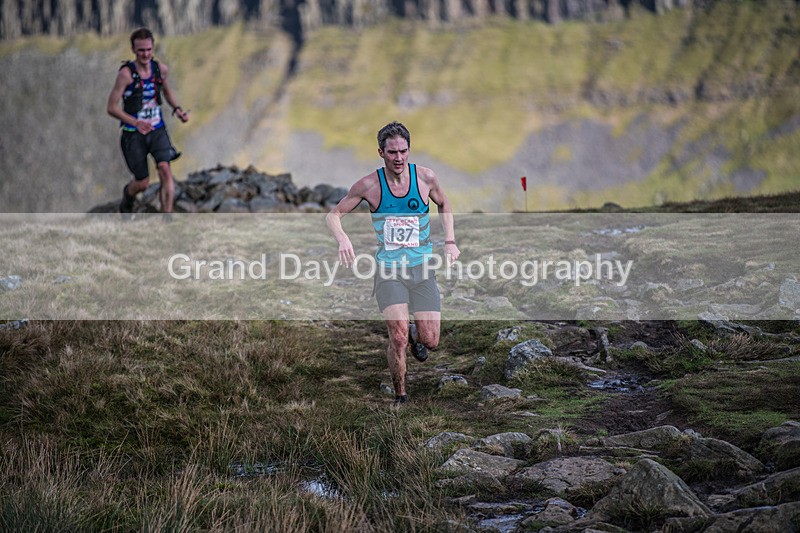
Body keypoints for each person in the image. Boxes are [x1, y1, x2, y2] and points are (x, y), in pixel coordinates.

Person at [326, 121, 460, 407]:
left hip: (422, 268)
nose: (398, 158)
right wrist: (342, 239)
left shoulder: (425, 178)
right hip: (389, 271)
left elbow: (444, 204)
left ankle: (415, 333)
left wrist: (450, 240)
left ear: (409, 150)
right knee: (397, 338)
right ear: (381, 152)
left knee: (431, 340)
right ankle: (401, 396)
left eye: (403, 151)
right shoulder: (369, 185)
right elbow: (333, 215)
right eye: (392, 152)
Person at [107, 27, 189, 216]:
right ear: (133, 50)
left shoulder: (160, 70)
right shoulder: (126, 75)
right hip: (133, 134)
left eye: (149, 50)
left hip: (157, 129)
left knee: (165, 169)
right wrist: (135, 122)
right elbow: (111, 107)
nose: (145, 54)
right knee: (142, 182)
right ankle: (128, 196)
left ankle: (167, 218)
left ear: (153, 48)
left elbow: (167, 92)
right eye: (141, 50)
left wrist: (177, 110)